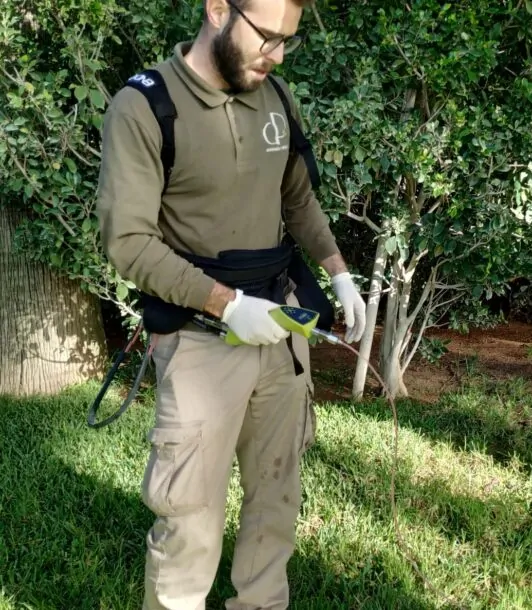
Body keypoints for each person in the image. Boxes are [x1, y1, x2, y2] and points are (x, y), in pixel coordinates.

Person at [95, 0, 366, 608]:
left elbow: (297, 200)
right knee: (189, 514)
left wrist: (339, 274)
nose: (275, 54)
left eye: (287, 41)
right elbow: (129, 242)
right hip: (200, 341)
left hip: (282, 332)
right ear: (217, 8)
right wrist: (225, 303)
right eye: (267, 36)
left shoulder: (277, 98)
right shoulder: (146, 106)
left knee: (275, 500)